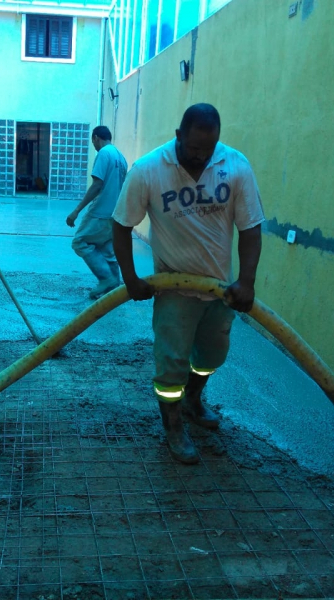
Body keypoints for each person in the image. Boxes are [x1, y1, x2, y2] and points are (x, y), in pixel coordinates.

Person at [112, 104, 264, 464]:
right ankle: (173, 425)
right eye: (193, 147)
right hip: (174, 289)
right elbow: (120, 225)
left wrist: (247, 281)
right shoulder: (149, 170)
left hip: (219, 289)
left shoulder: (235, 167)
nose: (200, 156)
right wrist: (130, 279)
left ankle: (195, 398)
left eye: (207, 150)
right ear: (178, 135)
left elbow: (251, 228)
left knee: (212, 356)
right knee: (171, 366)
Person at [66, 125, 129, 299]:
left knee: (80, 242)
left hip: (101, 211)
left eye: (92, 141)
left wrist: (76, 211)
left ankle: (106, 278)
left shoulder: (104, 154)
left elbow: (97, 185)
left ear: (96, 138)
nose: (93, 145)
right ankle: (114, 287)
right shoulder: (121, 157)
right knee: (106, 248)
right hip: (115, 213)